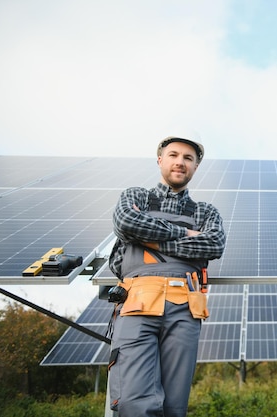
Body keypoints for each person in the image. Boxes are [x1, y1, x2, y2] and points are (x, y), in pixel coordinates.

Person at [107, 136, 226, 417]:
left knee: (175, 406)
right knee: (133, 402)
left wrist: (147, 239)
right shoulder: (137, 196)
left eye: (188, 158)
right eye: (173, 155)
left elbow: (213, 244)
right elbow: (126, 222)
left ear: (196, 166)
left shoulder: (205, 211)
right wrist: (183, 234)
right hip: (136, 304)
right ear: (160, 160)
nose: (180, 162)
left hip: (185, 308)